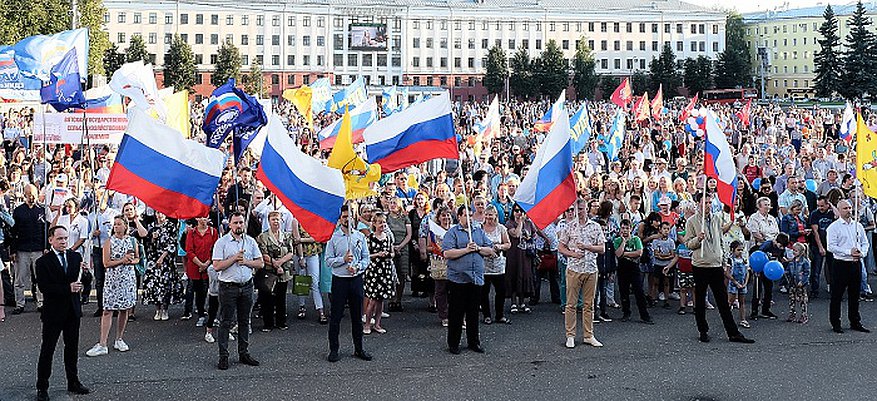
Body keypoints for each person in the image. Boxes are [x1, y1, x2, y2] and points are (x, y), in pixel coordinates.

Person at [683, 195, 754, 344]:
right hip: (701, 265)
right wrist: (698, 239)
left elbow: (721, 240)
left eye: (709, 202)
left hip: (716, 265)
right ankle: (703, 330)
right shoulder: (692, 222)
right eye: (705, 203)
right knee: (701, 300)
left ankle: (733, 333)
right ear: (698, 204)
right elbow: (688, 243)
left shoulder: (716, 219)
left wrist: (723, 260)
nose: (708, 205)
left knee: (722, 301)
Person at [35, 226, 90, 401]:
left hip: (72, 311)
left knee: (72, 349)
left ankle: (73, 382)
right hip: (53, 313)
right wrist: (68, 288)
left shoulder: (75, 257)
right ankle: (42, 387)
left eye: (66, 238)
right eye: (60, 239)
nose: (64, 242)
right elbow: (45, 288)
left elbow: (83, 282)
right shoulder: (43, 262)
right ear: (51, 240)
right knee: (48, 350)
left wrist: (86, 274)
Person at [211, 212, 263, 370]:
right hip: (228, 287)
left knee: (244, 321)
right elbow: (217, 266)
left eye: (241, 222)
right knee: (225, 322)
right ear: (230, 225)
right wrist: (234, 258)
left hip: (246, 286)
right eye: (236, 223)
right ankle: (223, 356)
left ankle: (244, 352)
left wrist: (246, 262)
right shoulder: (222, 243)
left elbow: (260, 263)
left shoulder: (250, 241)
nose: (239, 225)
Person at [442, 205, 495, 354]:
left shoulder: (478, 231)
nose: (469, 218)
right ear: (459, 216)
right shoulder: (452, 232)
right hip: (458, 279)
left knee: (473, 313)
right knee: (456, 313)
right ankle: (454, 343)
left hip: (475, 278)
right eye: (466, 215)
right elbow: (447, 253)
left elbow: (490, 250)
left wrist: (477, 248)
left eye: (470, 215)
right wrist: (466, 250)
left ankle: (474, 342)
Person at [325, 204, 372, 362]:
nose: (347, 219)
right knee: (336, 316)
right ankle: (334, 349)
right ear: (340, 219)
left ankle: (359, 348)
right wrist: (342, 260)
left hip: (356, 280)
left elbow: (366, 258)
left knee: (357, 317)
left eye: (349, 216)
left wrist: (358, 267)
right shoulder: (334, 238)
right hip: (340, 281)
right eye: (344, 217)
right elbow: (328, 261)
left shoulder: (360, 237)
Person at [86, 216, 139, 357]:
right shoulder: (109, 242)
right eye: (115, 224)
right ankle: (102, 343)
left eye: (119, 224)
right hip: (113, 280)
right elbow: (106, 263)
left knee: (124, 310)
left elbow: (138, 258)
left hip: (127, 279)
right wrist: (122, 260)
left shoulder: (132, 241)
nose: (116, 226)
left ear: (125, 226)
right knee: (107, 310)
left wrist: (132, 261)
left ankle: (119, 339)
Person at [558, 199, 605, 349]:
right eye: (576, 209)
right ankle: (570, 335)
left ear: (587, 209)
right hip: (574, 269)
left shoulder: (595, 226)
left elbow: (602, 248)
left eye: (582, 209)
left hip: (591, 269)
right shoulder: (569, 227)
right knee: (570, 304)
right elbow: (560, 247)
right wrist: (572, 254)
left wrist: (588, 247)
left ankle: (588, 335)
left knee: (588, 304)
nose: (579, 212)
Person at [826, 200, 871, 333]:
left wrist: (861, 253)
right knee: (837, 295)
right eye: (845, 208)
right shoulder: (834, 227)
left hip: (855, 263)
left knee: (854, 294)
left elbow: (865, 243)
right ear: (839, 210)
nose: (848, 210)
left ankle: (855, 321)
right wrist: (848, 252)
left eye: (850, 207)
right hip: (841, 264)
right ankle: (836, 323)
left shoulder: (858, 226)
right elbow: (831, 246)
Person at [255, 211, 294, 332]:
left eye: (277, 219)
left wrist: (281, 262)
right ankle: (268, 324)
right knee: (267, 298)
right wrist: (275, 265)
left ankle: (281, 322)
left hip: (284, 272)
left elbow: (291, 252)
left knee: (281, 298)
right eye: (273, 219)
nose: (276, 222)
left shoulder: (287, 236)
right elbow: (263, 254)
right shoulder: (263, 236)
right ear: (269, 221)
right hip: (269, 272)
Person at [11, 184, 47, 314]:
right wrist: (13, 251)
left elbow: (45, 231)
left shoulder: (42, 211)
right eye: (29, 194)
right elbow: (13, 232)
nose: (31, 197)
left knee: (40, 278)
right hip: (22, 249)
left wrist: (46, 248)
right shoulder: (18, 211)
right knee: (19, 279)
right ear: (25, 195)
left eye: (33, 194)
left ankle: (41, 302)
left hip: (38, 249)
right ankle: (19, 304)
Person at [142, 212, 184, 321]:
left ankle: (165, 309)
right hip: (154, 260)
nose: (159, 215)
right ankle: (158, 309)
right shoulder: (153, 227)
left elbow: (172, 243)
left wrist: (162, 257)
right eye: (157, 213)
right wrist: (153, 239)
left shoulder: (171, 226)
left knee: (166, 284)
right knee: (155, 285)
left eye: (161, 213)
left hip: (166, 260)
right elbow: (148, 245)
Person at [613, 219, 652, 324]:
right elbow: (617, 254)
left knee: (639, 291)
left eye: (627, 228)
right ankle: (626, 313)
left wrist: (624, 254)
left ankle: (644, 315)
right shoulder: (617, 240)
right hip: (622, 268)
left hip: (634, 267)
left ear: (631, 229)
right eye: (623, 228)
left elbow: (639, 253)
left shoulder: (636, 239)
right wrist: (624, 242)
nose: (625, 230)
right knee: (623, 291)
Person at [363, 212, 396, 335]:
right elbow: (366, 256)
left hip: (385, 269)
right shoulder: (369, 238)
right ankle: (367, 324)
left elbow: (392, 253)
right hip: (374, 271)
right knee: (372, 299)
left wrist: (389, 255)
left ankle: (377, 324)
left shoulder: (387, 237)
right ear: (374, 224)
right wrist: (377, 254)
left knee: (381, 300)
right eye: (380, 222)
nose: (382, 224)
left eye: (384, 222)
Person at [182, 217, 219, 326]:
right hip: (195, 267)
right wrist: (200, 264)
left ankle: (214, 316)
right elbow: (189, 251)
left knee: (213, 291)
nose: (203, 220)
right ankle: (201, 314)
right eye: (201, 218)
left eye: (205, 218)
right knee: (199, 293)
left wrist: (207, 263)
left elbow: (215, 249)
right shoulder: (191, 233)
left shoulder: (213, 232)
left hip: (210, 266)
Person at [481, 205, 511, 325]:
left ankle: (500, 315)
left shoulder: (501, 228)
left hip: (498, 264)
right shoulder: (480, 228)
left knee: (501, 291)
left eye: (490, 215)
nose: (488, 217)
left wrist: (500, 246)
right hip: (484, 264)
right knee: (484, 291)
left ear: (495, 215)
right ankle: (486, 315)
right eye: (486, 214)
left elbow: (508, 244)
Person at [725, 240, 750, 329]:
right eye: (738, 250)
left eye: (741, 250)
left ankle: (743, 319)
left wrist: (745, 283)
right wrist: (735, 282)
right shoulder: (730, 260)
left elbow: (747, 272)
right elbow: (727, 273)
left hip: (742, 283)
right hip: (733, 283)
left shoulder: (744, 260)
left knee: (742, 302)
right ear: (733, 249)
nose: (740, 252)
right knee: (730, 301)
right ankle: (727, 319)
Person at [787, 242, 811, 324]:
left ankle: (804, 315)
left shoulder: (804, 262)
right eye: (793, 250)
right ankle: (792, 314)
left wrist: (803, 281)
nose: (793, 252)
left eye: (795, 251)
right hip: (792, 283)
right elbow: (789, 270)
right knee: (792, 299)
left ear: (801, 252)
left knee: (802, 300)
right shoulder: (792, 261)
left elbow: (807, 273)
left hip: (801, 284)